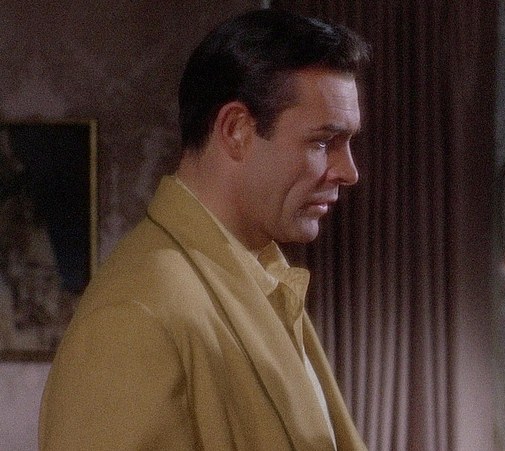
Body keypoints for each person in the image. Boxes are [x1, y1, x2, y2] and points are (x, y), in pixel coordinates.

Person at [39, 9, 369, 450]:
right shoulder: (134, 317)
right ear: (236, 130)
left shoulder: (263, 279)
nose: (349, 171)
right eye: (324, 142)